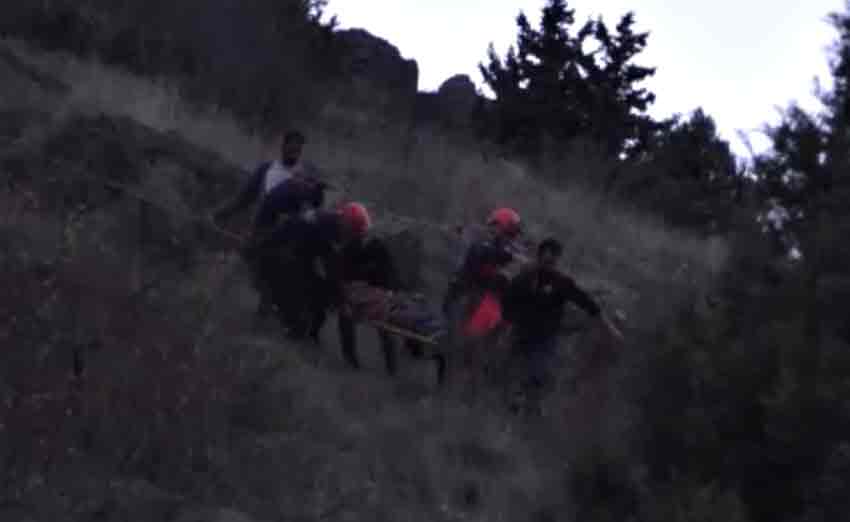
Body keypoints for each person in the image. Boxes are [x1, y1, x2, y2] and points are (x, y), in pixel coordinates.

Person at [210, 130, 327, 326]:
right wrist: (219, 214)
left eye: (298, 150)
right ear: (283, 146)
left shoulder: (306, 174)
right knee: (256, 272)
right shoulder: (266, 170)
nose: (294, 152)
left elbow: (315, 205)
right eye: (291, 147)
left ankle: (276, 314)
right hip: (263, 230)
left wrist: (317, 193)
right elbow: (243, 198)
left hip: (289, 236)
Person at [501, 237, 625, 416]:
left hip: (546, 336)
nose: (549, 262)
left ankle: (524, 399)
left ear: (557, 260)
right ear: (539, 256)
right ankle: (520, 398)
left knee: (538, 367)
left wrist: (610, 328)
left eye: (553, 258)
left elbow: (587, 303)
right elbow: (507, 301)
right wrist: (508, 324)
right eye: (546, 257)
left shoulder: (561, 282)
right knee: (513, 366)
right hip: (523, 331)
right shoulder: (525, 278)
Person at [330, 202, 429, 377]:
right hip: (368, 296)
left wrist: (387, 292)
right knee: (381, 322)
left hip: (372, 297)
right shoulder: (361, 247)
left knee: (382, 321)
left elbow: (386, 274)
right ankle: (378, 366)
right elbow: (344, 279)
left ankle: (362, 362)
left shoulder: (362, 248)